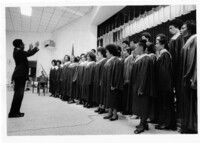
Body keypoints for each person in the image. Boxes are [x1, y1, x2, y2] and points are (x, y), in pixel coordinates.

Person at [129, 39, 155, 134]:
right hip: (138, 85)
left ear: (141, 47)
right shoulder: (140, 58)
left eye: (136, 47)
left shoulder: (146, 59)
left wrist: (141, 87)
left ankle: (141, 125)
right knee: (139, 105)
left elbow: (144, 75)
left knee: (143, 105)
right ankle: (144, 123)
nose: (135, 49)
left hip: (143, 87)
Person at [9, 39, 39, 118]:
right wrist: (36, 47)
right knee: (18, 95)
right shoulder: (18, 52)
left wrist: (30, 49)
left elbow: (26, 53)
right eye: (23, 44)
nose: (24, 45)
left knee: (19, 95)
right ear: (20, 45)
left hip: (19, 75)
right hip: (20, 75)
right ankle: (13, 113)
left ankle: (16, 112)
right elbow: (29, 53)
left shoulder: (17, 51)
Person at [154, 34, 176, 130]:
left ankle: (166, 123)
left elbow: (164, 73)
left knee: (165, 104)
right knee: (163, 104)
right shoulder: (162, 54)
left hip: (164, 85)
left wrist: (162, 86)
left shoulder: (165, 54)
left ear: (162, 45)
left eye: (157, 43)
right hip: (163, 85)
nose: (156, 45)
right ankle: (163, 122)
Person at [179, 20, 197, 134]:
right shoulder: (189, 40)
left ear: (190, 29)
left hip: (190, 77)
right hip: (188, 76)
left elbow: (194, 62)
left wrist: (193, 79)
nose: (181, 30)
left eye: (183, 28)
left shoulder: (194, 39)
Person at [102, 44, 123, 121]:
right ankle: (110, 113)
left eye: (107, 52)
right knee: (109, 98)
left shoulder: (116, 60)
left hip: (113, 83)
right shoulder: (109, 60)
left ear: (111, 52)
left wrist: (114, 84)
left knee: (114, 98)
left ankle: (115, 114)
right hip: (108, 82)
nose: (106, 53)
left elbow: (117, 73)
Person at [168, 19, 184, 120]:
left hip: (177, 69)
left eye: (171, 28)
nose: (169, 30)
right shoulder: (175, 38)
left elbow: (177, 56)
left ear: (176, 27)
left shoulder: (178, 38)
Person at [93, 47, 107, 114]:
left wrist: (101, 80)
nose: (97, 55)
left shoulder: (104, 61)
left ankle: (103, 107)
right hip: (97, 79)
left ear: (102, 54)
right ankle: (99, 106)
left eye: (99, 54)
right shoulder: (99, 61)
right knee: (98, 93)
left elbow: (103, 72)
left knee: (102, 94)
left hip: (101, 79)